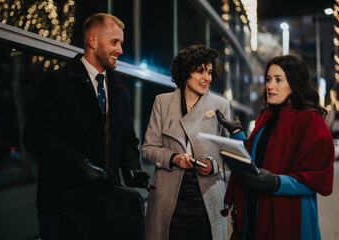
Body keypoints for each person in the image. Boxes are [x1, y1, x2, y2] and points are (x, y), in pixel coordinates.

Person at [23, 13, 149, 239]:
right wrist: (82, 166)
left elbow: (128, 140)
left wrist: (132, 168)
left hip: (108, 204)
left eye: (121, 43)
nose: (120, 50)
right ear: (92, 41)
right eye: (114, 42)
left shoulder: (120, 91)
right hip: (62, 205)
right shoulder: (57, 82)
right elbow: (36, 136)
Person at [216, 54, 334, 239]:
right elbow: (256, 158)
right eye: (269, 79)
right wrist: (237, 132)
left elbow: (319, 179)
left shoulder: (311, 121)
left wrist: (277, 182)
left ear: (294, 83)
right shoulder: (267, 116)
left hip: (288, 219)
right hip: (255, 213)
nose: (270, 86)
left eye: (279, 80)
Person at [142, 45, 229, 240]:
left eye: (209, 72)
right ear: (185, 72)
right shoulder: (162, 102)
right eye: (200, 71)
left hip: (207, 196)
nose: (206, 77)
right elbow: (148, 149)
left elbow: (229, 153)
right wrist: (173, 158)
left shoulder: (220, 105)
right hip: (168, 195)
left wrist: (212, 165)